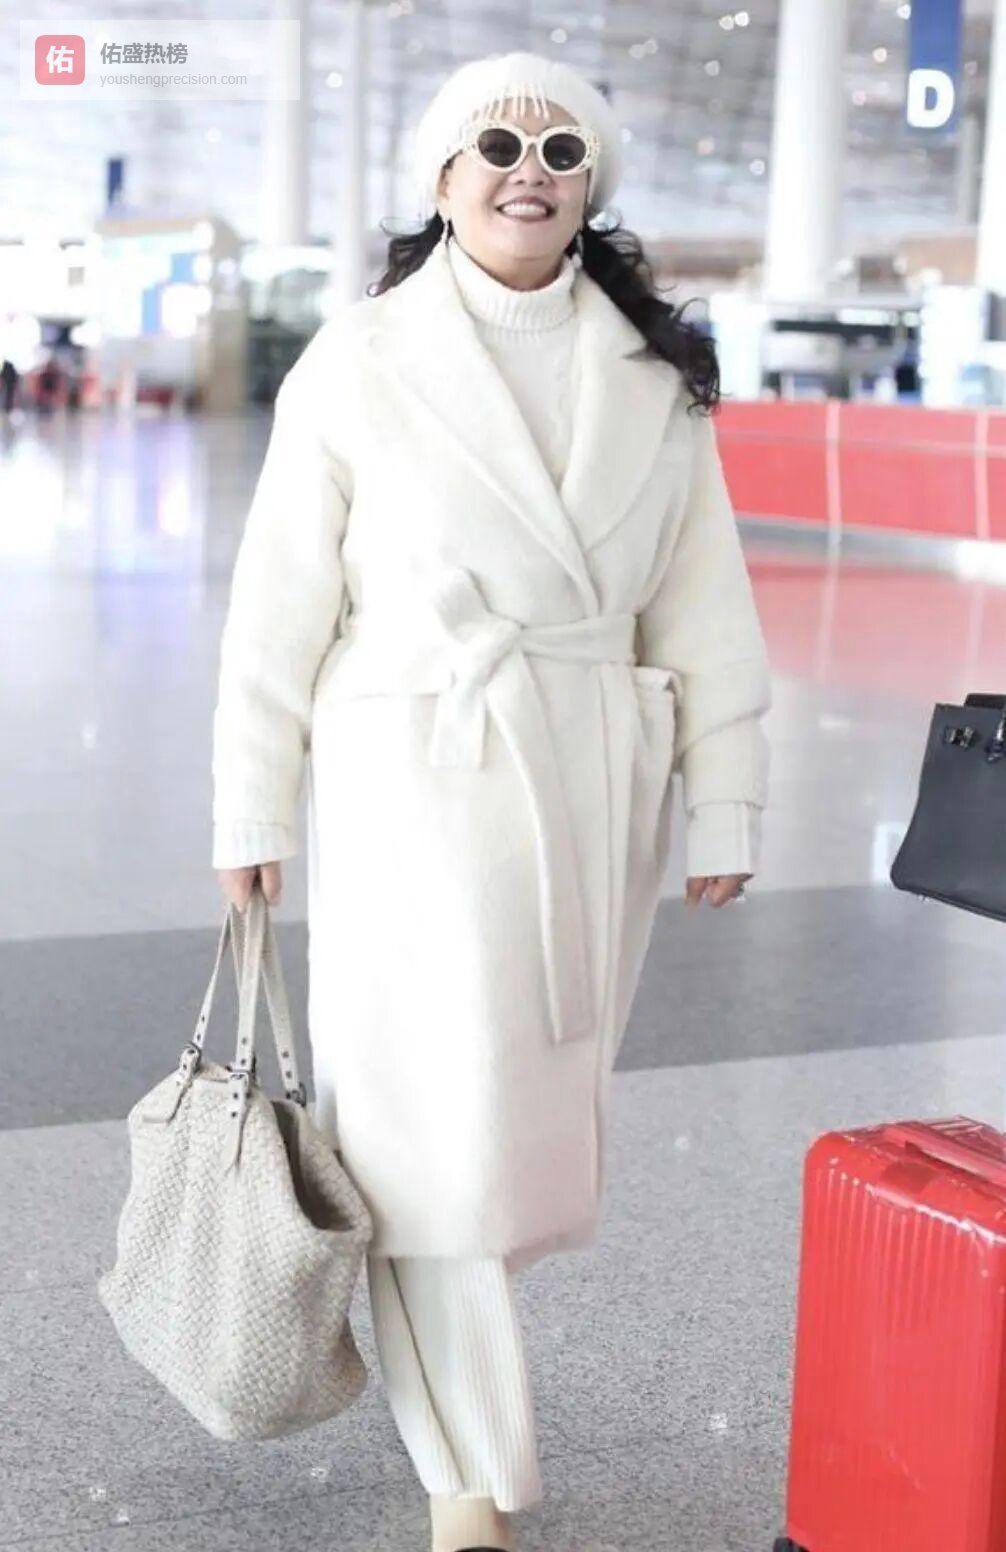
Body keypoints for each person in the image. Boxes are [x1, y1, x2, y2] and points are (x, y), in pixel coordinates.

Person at [212, 50, 771, 1552]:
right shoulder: (360, 359)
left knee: (513, 1134)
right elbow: (278, 605)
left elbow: (704, 604)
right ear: (442, 178)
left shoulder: (653, 378)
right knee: (421, 1137)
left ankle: (456, 1396)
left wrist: (724, 799)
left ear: (592, 185)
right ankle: (467, 1481)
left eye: (560, 148)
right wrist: (251, 804)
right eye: (496, 145)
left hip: (586, 779)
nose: (529, 171)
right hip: (415, 768)